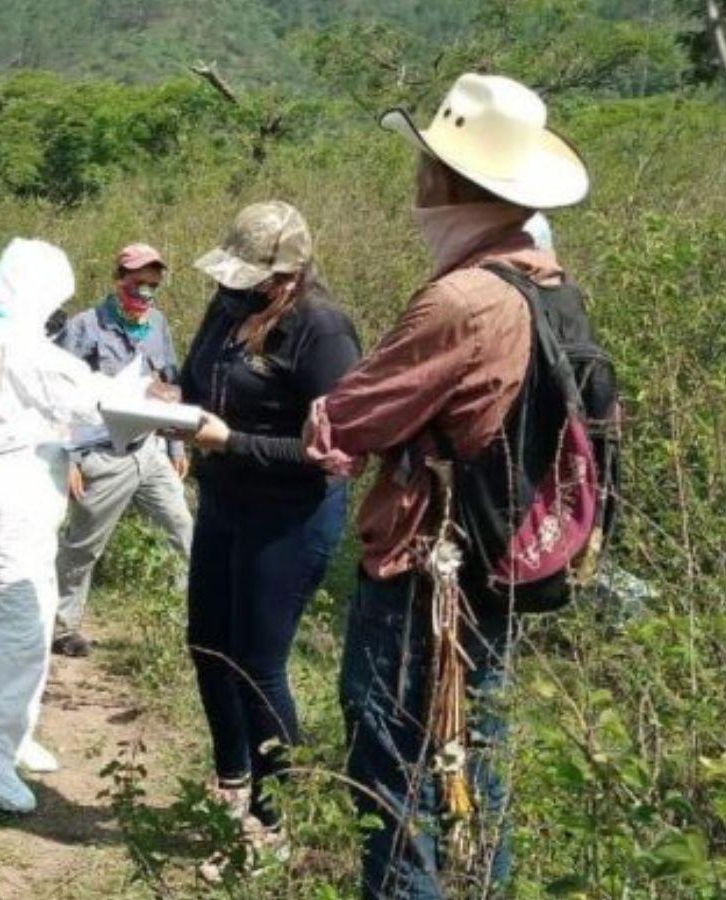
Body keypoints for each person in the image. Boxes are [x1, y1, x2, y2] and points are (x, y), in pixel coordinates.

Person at [302, 73, 591, 897]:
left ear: (455, 182)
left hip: (425, 571)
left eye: (428, 166)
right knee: (475, 755)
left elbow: (345, 419)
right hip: (502, 556)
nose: (418, 181)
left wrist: (331, 421)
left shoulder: (462, 300)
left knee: (392, 763)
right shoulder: (547, 282)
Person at [179, 201, 361, 843]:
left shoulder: (322, 332)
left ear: (287, 276)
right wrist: (170, 404)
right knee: (208, 642)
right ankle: (232, 776)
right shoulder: (227, 309)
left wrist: (231, 441)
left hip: (288, 515)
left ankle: (275, 817)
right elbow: (197, 381)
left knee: (258, 663)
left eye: (251, 280)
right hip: (224, 499)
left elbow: (335, 453)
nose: (234, 290)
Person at [0, 238, 117, 814]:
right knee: (18, 625)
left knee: (37, 617)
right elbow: (88, 396)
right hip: (7, 500)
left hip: (18, 499)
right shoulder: (13, 342)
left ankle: (14, 734)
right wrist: (143, 398)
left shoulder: (2, 337)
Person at [51, 243, 193, 657]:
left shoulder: (158, 324)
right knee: (83, 546)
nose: (145, 294)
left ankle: (184, 622)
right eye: (137, 285)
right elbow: (56, 395)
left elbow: (168, 385)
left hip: (148, 448)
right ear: (118, 281)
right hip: (101, 455)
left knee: (182, 528)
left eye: (152, 286)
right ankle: (60, 626)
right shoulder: (84, 327)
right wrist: (67, 458)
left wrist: (175, 445)